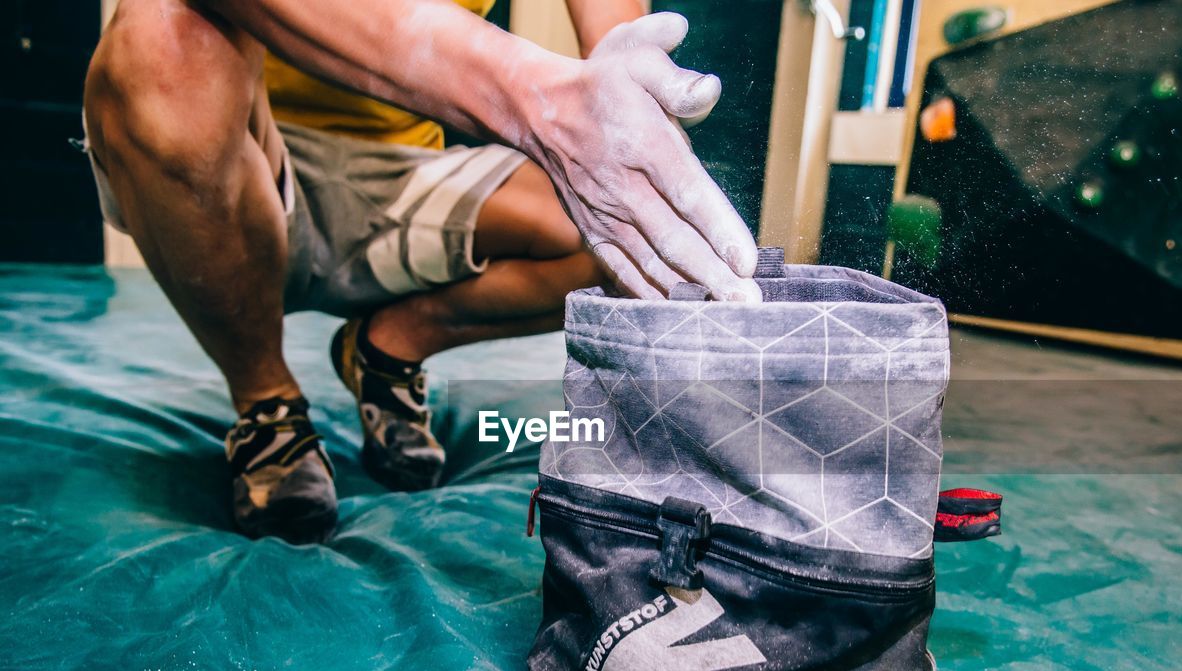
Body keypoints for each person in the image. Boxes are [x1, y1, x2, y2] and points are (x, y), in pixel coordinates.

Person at [82, 0, 761, 543]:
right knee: (159, 37)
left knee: (616, 225)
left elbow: (615, 37)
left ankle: (386, 348)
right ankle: (266, 406)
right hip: (245, 150)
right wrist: (537, 95)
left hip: (402, 168)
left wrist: (626, 104)